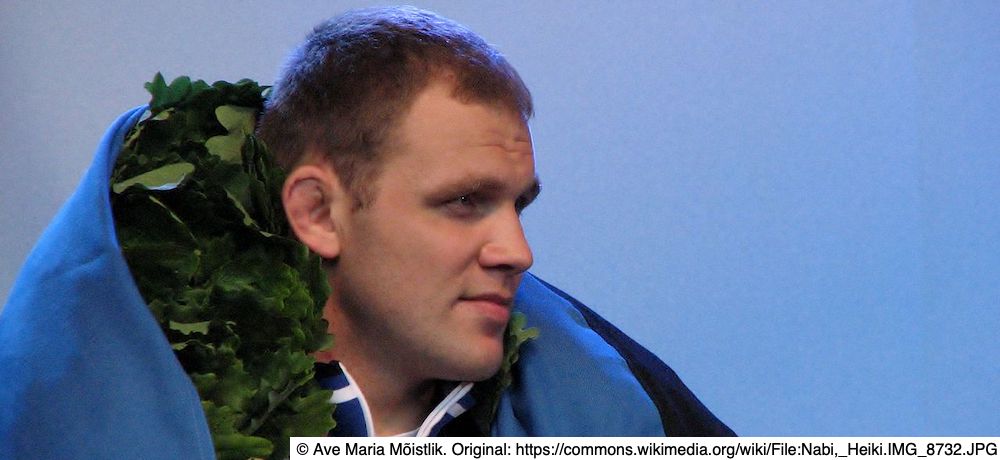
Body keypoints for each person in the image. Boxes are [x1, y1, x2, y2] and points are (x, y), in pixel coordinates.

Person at [257, 6, 734, 437]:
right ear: (318, 213)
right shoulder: (205, 403)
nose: (519, 253)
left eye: (518, 205)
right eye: (465, 201)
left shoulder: (625, 407)